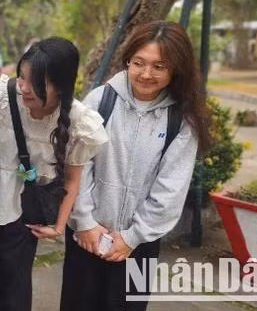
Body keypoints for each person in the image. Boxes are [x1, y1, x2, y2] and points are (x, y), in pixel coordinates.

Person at [0, 37, 108, 311]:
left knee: (14, 279)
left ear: (62, 86)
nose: (25, 89)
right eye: (22, 78)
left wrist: (58, 225)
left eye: (37, 83)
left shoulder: (80, 122)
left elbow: (72, 179)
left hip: (27, 203)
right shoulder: (0, 95)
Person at [62, 21, 211, 311]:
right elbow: (77, 164)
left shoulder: (180, 120)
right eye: (139, 63)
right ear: (127, 60)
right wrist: (85, 223)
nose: (146, 74)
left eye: (159, 67)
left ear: (176, 70)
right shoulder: (100, 101)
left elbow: (170, 190)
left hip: (138, 245)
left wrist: (131, 238)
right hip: (86, 236)